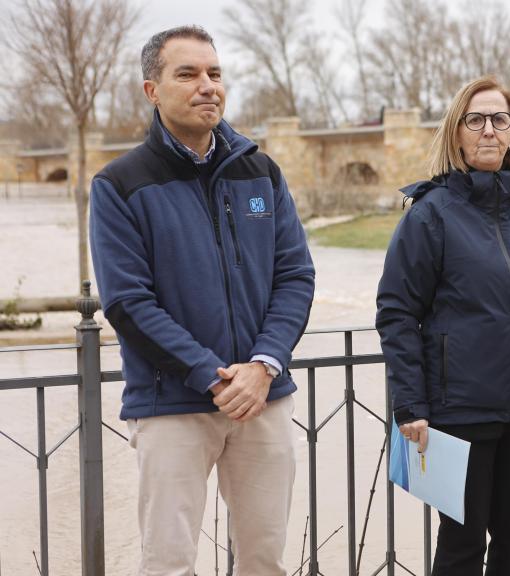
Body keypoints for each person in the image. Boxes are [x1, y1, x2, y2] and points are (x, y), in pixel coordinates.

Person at [89, 25, 315, 575]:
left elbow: (296, 276)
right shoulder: (119, 185)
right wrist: (212, 377)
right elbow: (128, 303)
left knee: (266, 561)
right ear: (152, 90)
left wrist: (263, 366)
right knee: (168, 563)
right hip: (172, 404)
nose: (207, 85)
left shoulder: (260, 171)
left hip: (263, 397)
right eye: (187, 74)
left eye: (214, 73)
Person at [375, 76, 510, 576]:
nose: (488, 130)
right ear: (457, 133)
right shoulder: (431, 215)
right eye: (476, 120)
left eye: (499, 119)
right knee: (462, 546)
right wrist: (409, 403)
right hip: (462, 410)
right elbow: (397, 311)